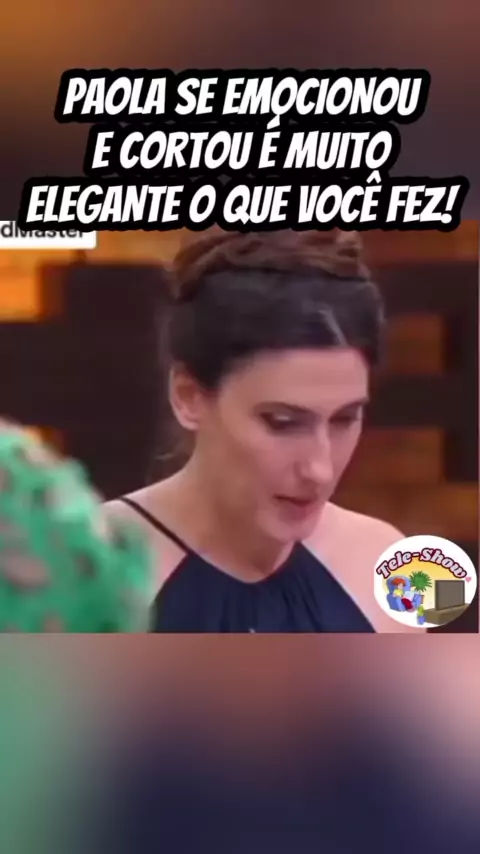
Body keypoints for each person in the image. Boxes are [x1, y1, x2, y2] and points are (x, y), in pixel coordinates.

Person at [104, 227, 418, 633]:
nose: (320, 469)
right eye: (282, 423)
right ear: (188, 396)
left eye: (344, 419)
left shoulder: (384, 565)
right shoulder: (90, 573)